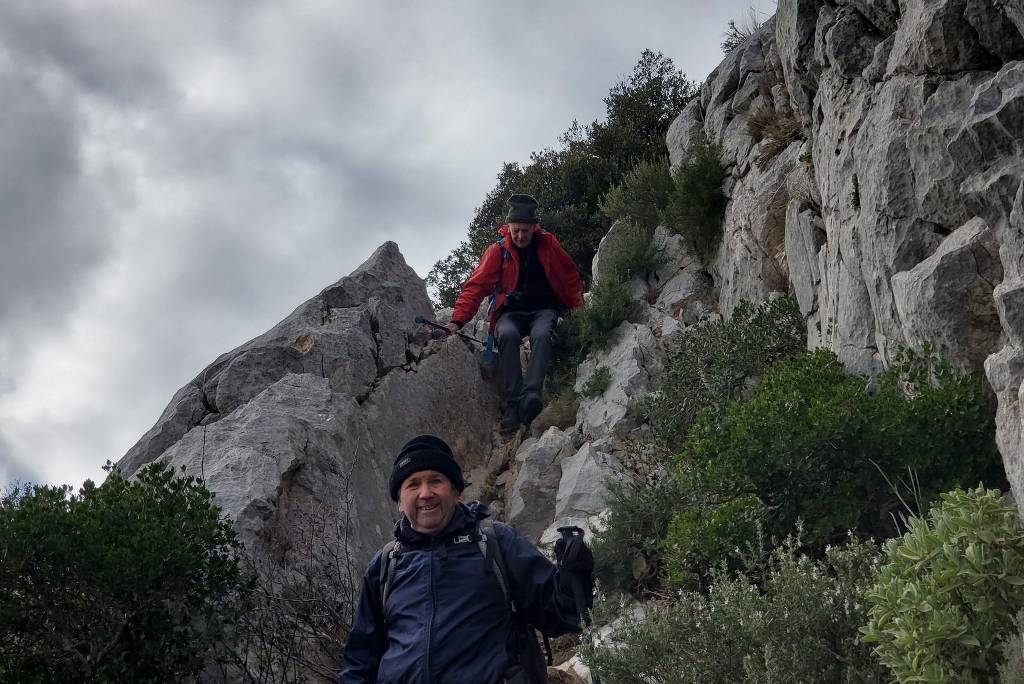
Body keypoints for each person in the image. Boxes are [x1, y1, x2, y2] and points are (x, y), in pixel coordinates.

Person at [339, 435, 594, 684]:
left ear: (456, 492)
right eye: (413, 484)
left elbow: (561, 614)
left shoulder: (495, 543)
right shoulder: (385, 565)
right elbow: (360, 661)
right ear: (399, 501)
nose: (425, 493)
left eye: (435, 481)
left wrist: (575, 573)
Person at [446, 194, 584, 431]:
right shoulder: (497, 251)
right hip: (510, 314)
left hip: (543, 309)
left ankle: (531, 397)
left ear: (534, 228)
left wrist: (579, 310)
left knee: (542, 334)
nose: (520, 236)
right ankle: (513, 404)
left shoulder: (549, 244)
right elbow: (476, 286)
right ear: (508, 227)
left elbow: (570, 275)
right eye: (516, 230)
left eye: (525, 231)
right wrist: (457, 321)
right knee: (507, 335)